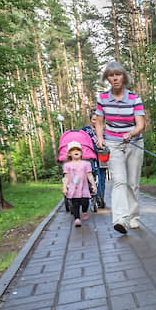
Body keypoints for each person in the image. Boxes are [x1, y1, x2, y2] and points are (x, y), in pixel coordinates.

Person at [94, 61, 146, 234]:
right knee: (119, 181)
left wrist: (131, 133)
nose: (115, 78)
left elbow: (140, 124)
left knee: (132, 183)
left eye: (118, 74)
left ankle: (133, 217)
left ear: (123, 77)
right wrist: (100, 138)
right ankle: (120, 220)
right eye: (111, 75)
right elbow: (99, 122)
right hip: (113, 144)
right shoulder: (102, 99)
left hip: (133, 142)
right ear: (107, 78)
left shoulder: (134, 98)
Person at [62, 141, 97, 227]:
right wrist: (64, 187)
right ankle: (77, 219)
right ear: (69, 154)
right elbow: (66, 177)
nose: (76, 151)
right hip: (73, 189)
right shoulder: (67, 165)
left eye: (78, 150)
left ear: (81, 152)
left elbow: (89, 175)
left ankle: (84, 212)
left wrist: (93, 185)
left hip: (84, 188)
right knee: (75, 205)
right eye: (73, 150)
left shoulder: (86, 164)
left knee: (85, 202)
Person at [81, 114, 108, 208]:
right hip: (90, 157)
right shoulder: (85, 130)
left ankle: (101, 198)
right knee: (93, 176)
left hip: (102, 156)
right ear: (90, 120)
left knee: (102, 178)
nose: (95, 122)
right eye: (93, 120)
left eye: (98, 120)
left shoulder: (105, 131)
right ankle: (95, 196)